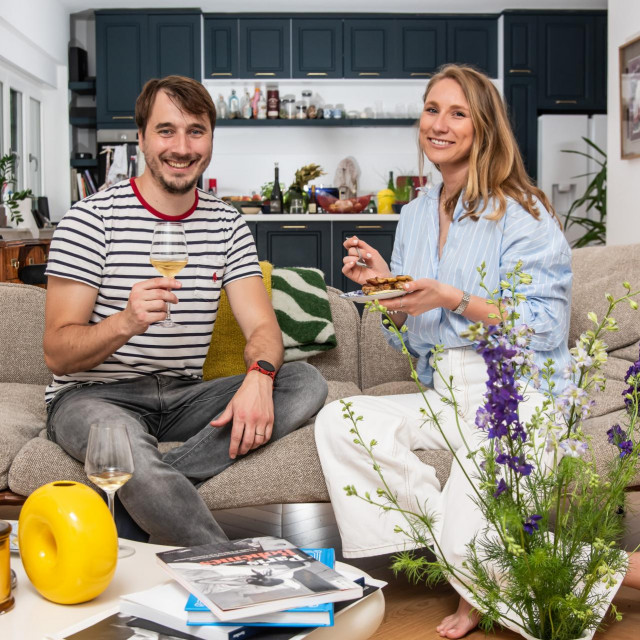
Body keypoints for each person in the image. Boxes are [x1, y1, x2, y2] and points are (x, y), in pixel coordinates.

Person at [314, 64, 640, 639]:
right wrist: (387, 289)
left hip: (521, 393)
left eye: (457, 113)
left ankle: (489, 571)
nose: (439, 124)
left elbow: (543, 326)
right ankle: (471, 562)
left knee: (479, 531)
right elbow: (415, 334)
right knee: (342, 419)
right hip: (446, 388)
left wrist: (454, 296)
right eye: (432, 109)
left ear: (484, 127)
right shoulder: (415, 214)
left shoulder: (524, 212)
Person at [43, 75, 327, 546]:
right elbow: (57, 353)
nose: (182, 146)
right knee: (120, 441)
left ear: (211, 139)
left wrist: (259, 375)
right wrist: (125, 322)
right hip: (94, 396)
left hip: (183, 398)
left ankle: (137, 494)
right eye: (166, 130)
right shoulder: (90, 219)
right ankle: (227, 564)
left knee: (304, 382)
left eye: (196, 130)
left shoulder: (227, 224)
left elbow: (262, 327)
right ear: (141, 139)